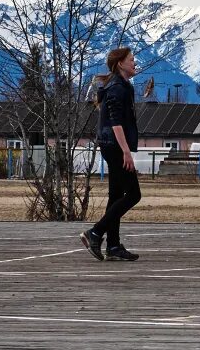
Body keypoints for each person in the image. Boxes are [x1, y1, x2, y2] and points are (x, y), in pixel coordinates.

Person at [80, 47, 141, 262]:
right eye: (132, 60)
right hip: (114, 146)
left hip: (111, 144)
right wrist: (126, 152)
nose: (135, 63)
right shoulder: (117, 88)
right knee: (134, 194)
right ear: (121, 63)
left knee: (116, 195)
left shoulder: (122, 86)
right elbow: (116, 123)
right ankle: (95, 232)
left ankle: (113, 246)